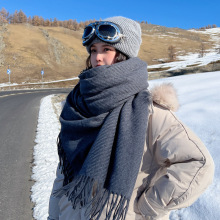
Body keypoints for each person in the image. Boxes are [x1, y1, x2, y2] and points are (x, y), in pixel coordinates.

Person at [48, 16, 214, 220]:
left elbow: (198, 163)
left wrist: (146, 209)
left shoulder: (149, 112)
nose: (97, 57)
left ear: (123, 54)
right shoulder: (77, 109)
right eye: (93, 50)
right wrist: (54, 216)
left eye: (106, 49)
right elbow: (64, 174)